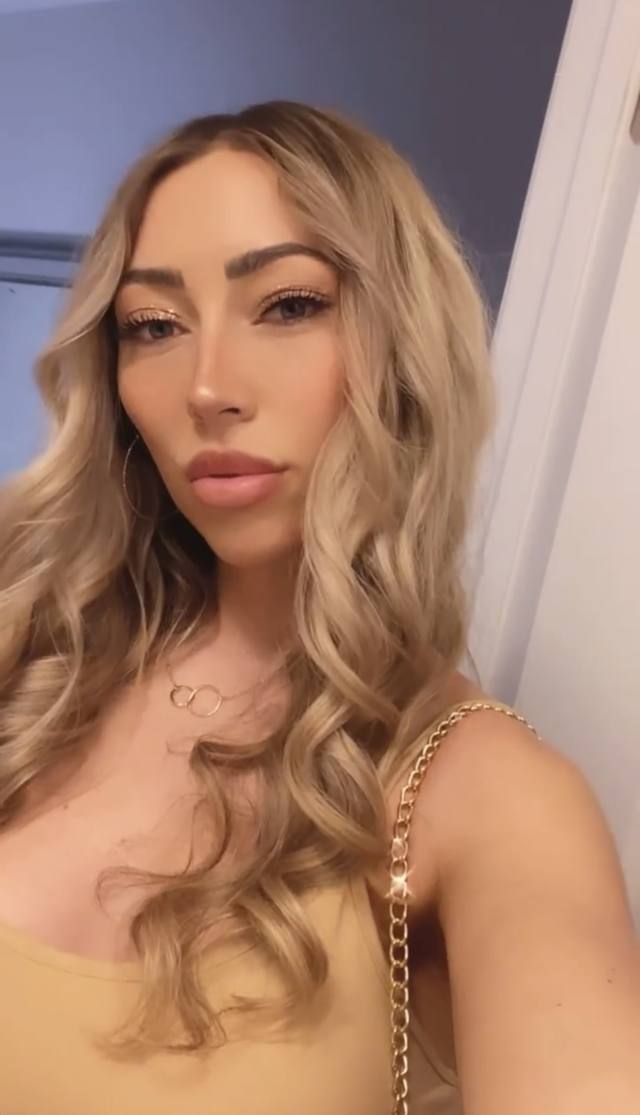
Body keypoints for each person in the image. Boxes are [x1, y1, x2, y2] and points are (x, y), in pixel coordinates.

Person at [0, 100, 637, 1115]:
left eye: (289, 305)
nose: (208, 386)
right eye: (154, 326)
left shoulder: (483, 792)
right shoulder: (26, 649)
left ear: (403, 345)